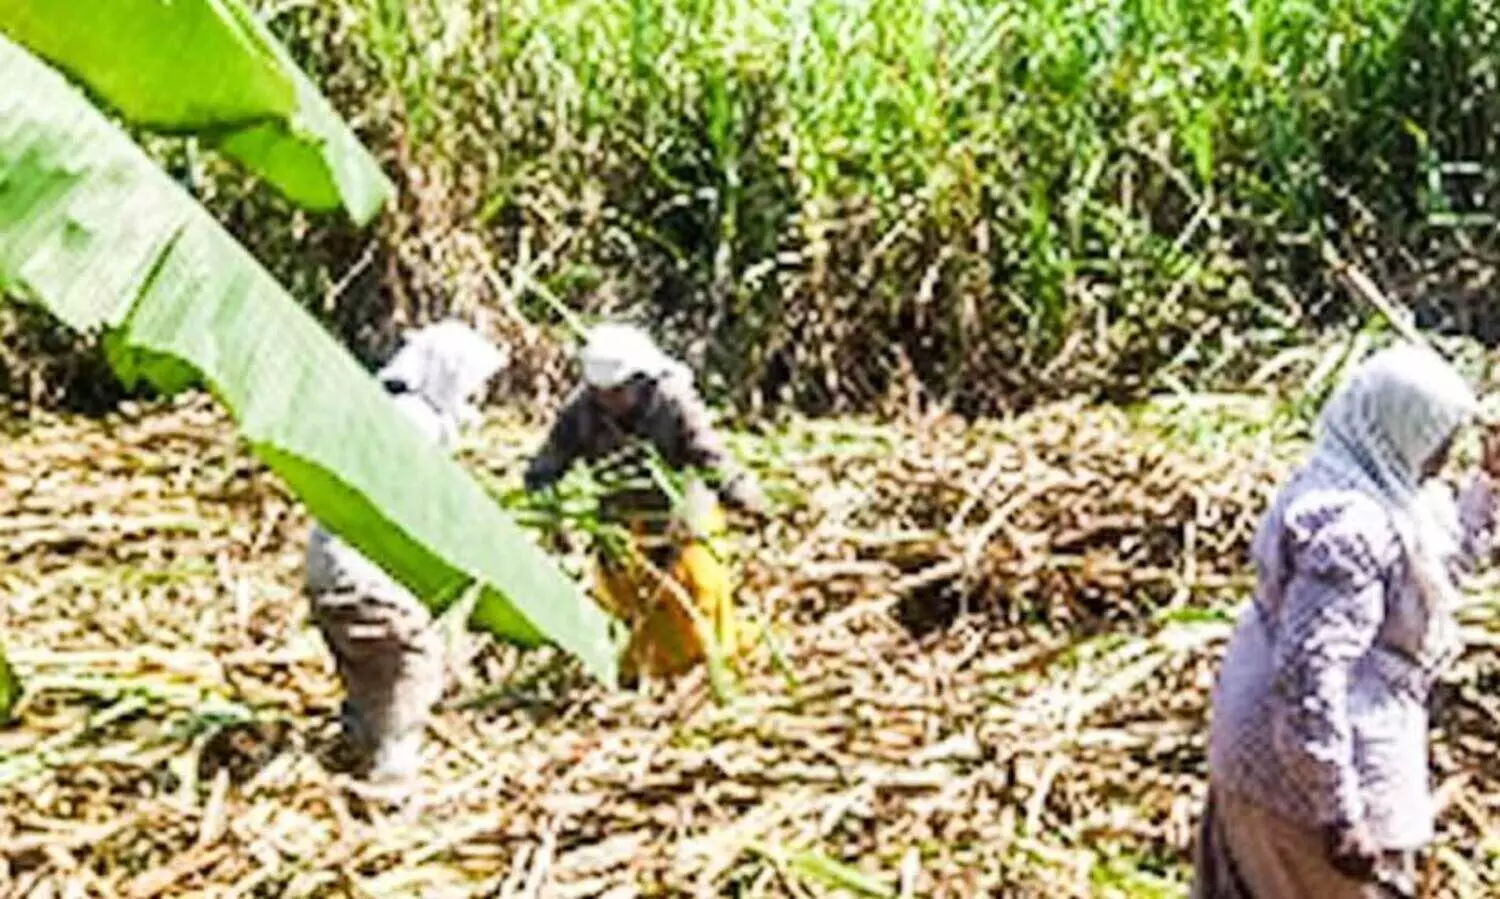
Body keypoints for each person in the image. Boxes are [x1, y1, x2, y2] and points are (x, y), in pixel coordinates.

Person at [1193, 343, 1499, 898]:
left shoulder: (1378, 486)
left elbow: (1438, 564)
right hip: (1297, 775)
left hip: (1299, 753)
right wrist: (1337, 812)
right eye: (1441, 436)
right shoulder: (1349, 530)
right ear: (1401, 426)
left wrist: (1489, 483)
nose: (1447, 452)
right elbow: (1309, 677)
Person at [305, 319, 507, 786]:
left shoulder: (391, 408)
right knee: (414, 657)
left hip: (329, 562)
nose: (474, 398)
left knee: (372, 669)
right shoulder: (414, 420)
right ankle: (392, 776)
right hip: (355, 566)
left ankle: (354, 749)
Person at [523, 322, 767, 682]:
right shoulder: (581, 411)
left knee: (697, 597)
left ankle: (710, 668)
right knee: (631, 604)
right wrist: (552, 520)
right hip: (622, 523)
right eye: (602, 393)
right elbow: (543, 470)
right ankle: (645, 674)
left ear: (641, 381)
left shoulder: (672, 402)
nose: (610, 401)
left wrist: (745, 496)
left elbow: (710, 457)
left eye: (619, 392)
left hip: (681, 517)